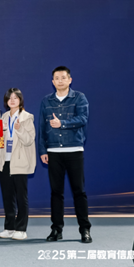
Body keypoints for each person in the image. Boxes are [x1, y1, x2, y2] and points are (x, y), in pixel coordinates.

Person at [38, 66, 92, 243]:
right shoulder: (46, 101)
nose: (60, 81)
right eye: (57, 78)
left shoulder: (79, 97)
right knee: (56, 193)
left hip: (74, 150)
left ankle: (85, 229)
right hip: (53, 152)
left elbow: (83, 119)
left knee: (79, 191)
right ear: (52, 82)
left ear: (70, 80)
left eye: (63, 77)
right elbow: (42, 128)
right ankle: (56, 229)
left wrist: (62, 123)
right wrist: (43, 150)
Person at [0, 88, 36, 240]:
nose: (12, 100)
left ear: (20, 100)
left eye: (15, 98)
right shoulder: (3, 117)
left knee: (21, 196)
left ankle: (21, 228)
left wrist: (18, 129)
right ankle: (9, 227)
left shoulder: (27, 117)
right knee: (7, 196)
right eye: (9, 98)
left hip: (19, 161)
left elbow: (29, 140)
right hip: (4, 161)